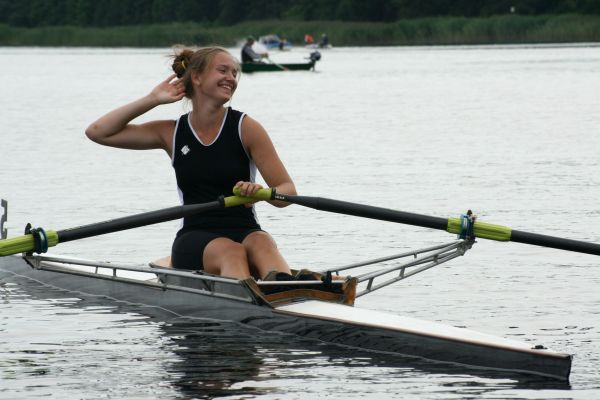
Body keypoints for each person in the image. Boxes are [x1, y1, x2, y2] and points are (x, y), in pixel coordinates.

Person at [85, 46, 296, 281]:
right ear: (196, 77)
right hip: (195, 236)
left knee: (263, 241)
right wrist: (152, 100)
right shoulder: (171, 133)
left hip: (246, 230)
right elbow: (98, 132)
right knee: (231, 251)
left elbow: (288, 191)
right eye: (223, 70)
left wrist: (262, 193)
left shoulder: (246, 128)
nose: (231, 78)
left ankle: (286, 289)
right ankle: (258, 295)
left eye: (234, 73)